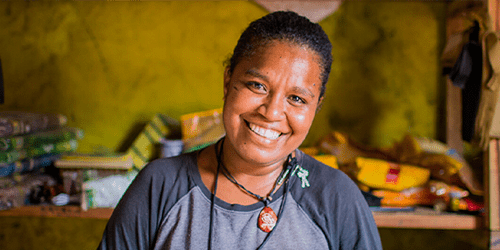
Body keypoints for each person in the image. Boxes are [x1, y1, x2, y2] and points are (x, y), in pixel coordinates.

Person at [98, 11, 382, 250]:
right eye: (257, 86)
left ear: (316, 107)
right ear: (227, 82)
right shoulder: (159, 186)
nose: (271, 112)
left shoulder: (336, 198)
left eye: (297, 99)